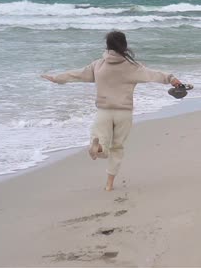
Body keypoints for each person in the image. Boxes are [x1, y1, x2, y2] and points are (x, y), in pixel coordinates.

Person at [41, 30, 182, 191]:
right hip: (123, 114)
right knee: (117, 148)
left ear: (107, 46)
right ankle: (109, 184)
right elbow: (154, 75)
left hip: (103, 112)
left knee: (102, 144)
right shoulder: (132, 67)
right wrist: (172, 79)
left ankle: (98, 148)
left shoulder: (98, 65)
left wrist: (57, 78)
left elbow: (77, 75)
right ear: (124, 45)